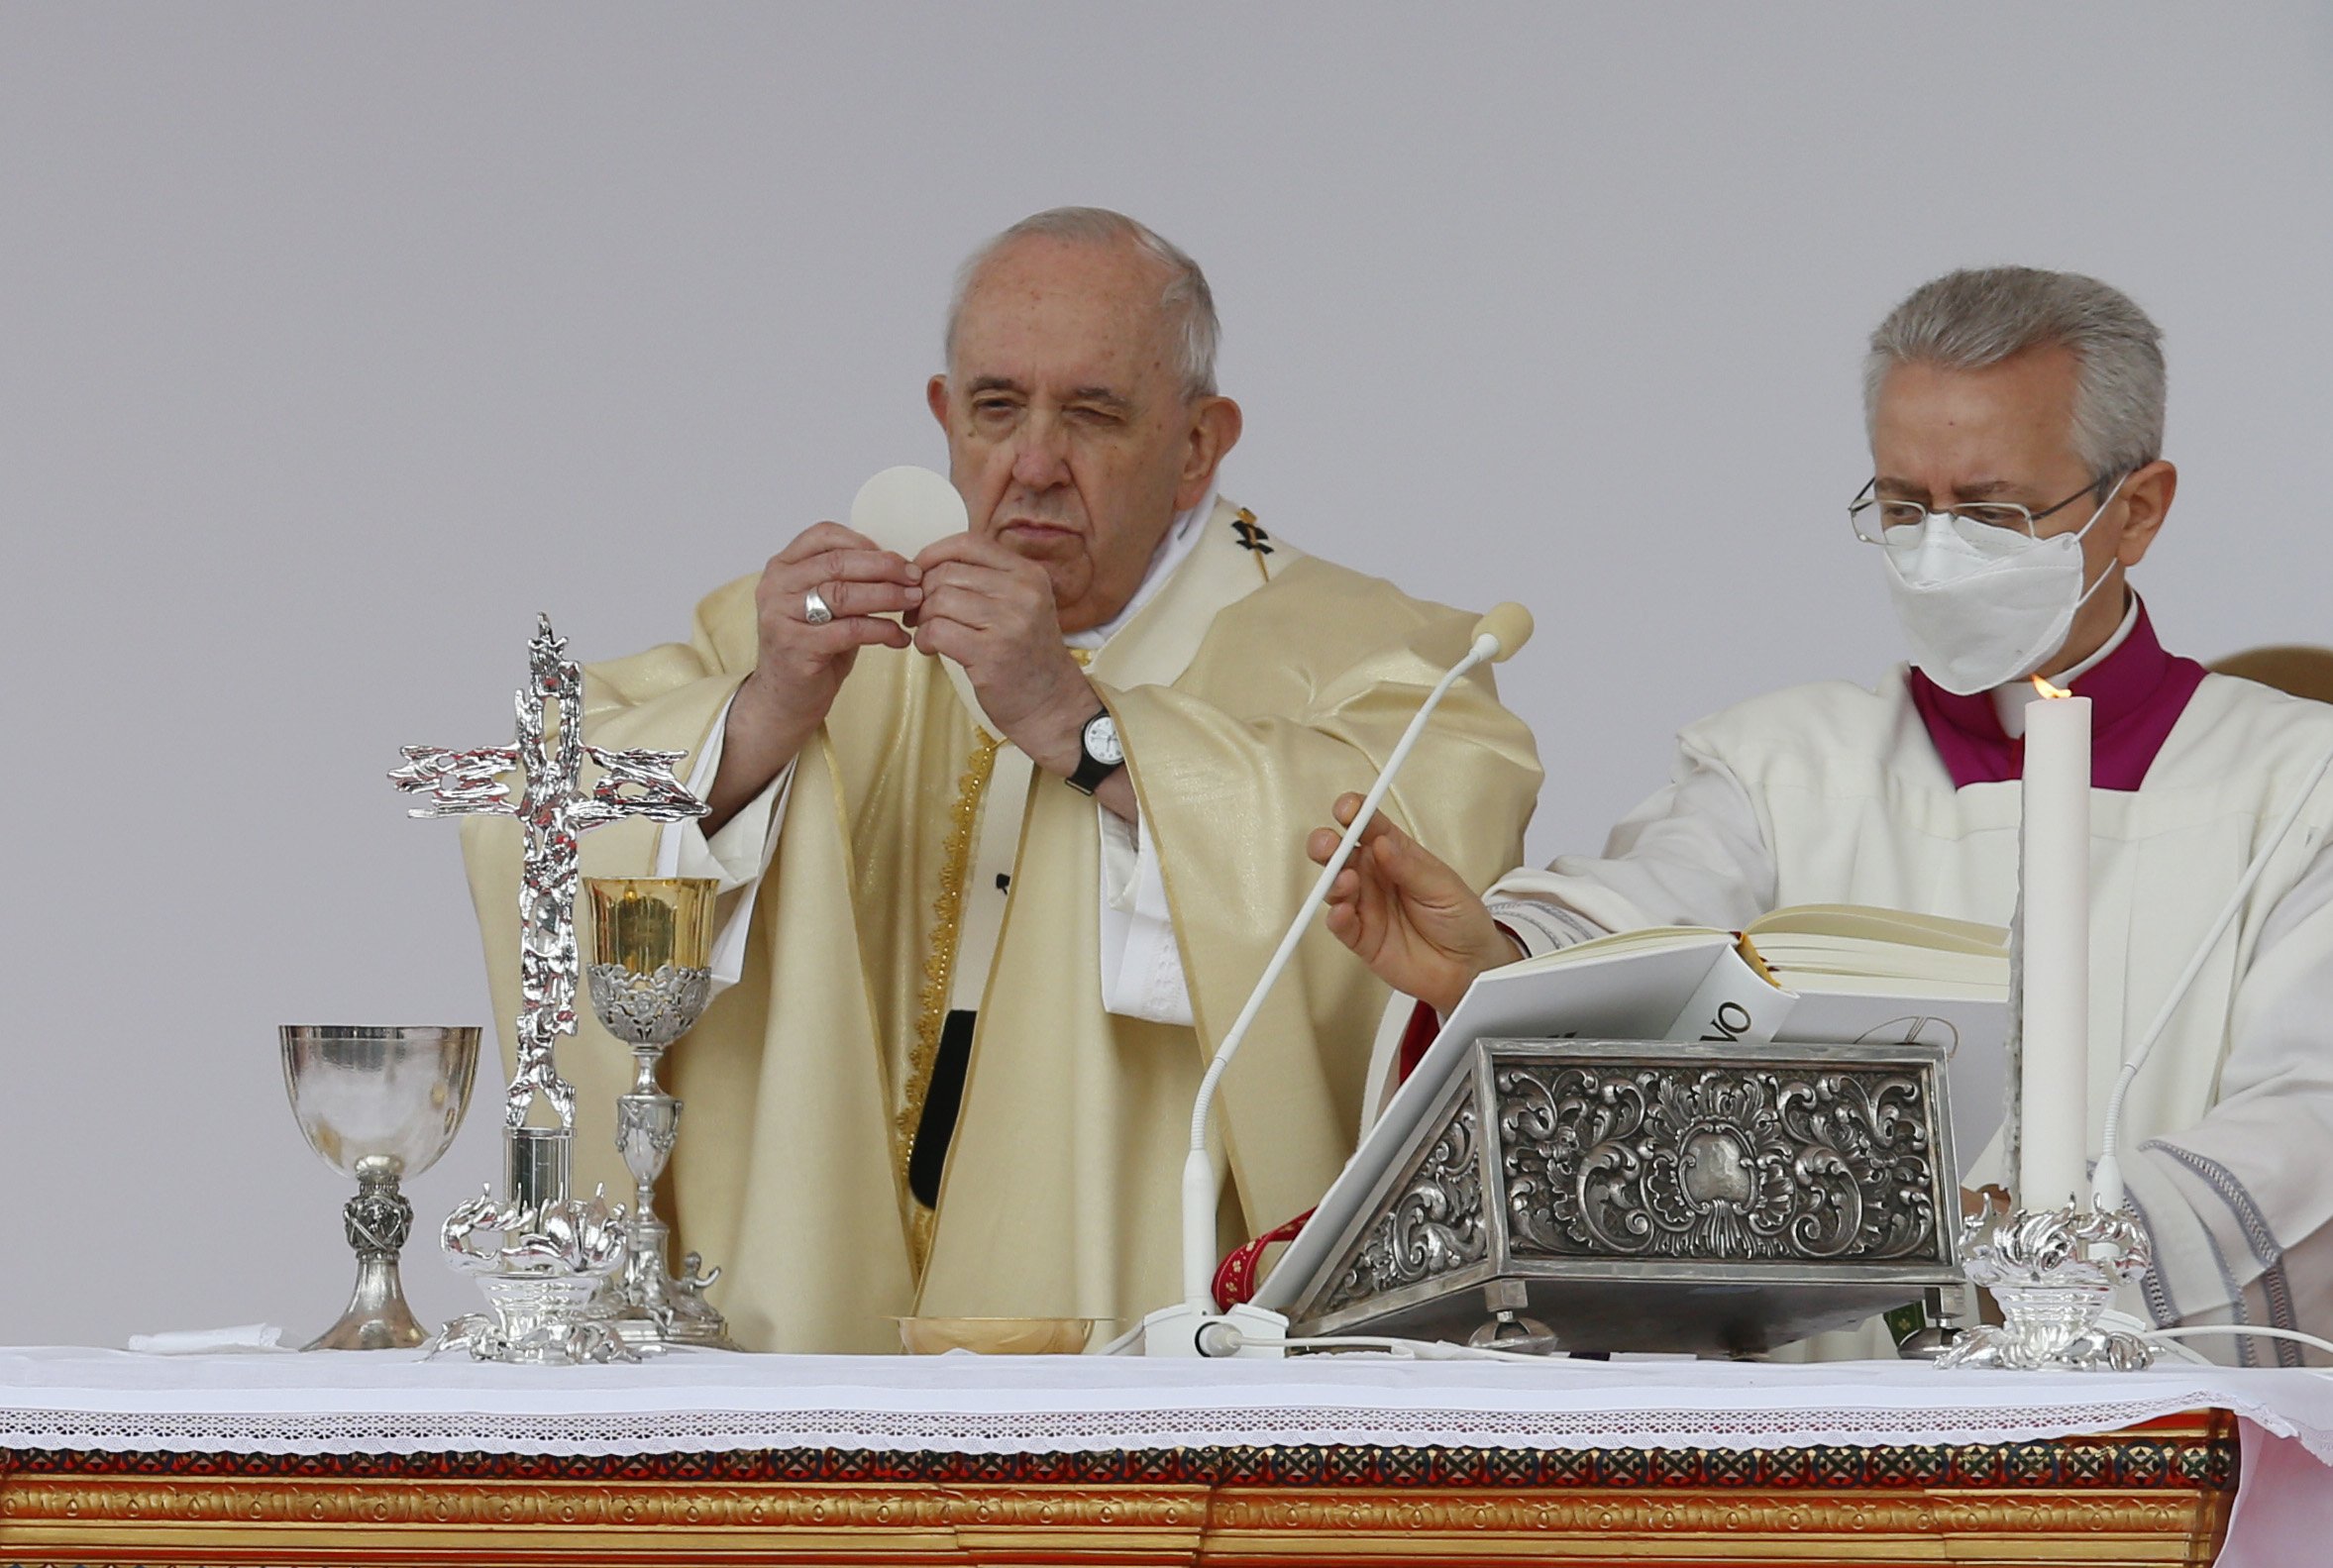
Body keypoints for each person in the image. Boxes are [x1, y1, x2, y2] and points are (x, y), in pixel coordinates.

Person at [458, 207, 1542, 1351]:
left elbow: (1430, 844)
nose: (1032, 462)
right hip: (824, 1292)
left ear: (1198, 444)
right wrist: (765, 713)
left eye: (1092, 413)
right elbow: (542, 801)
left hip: (1154, 1311)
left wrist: (1091, 734)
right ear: (943, 416)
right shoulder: (818, 635)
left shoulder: (1362, 644)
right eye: (996, 407)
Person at [1309, 266, 2333, 1364]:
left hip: (2137, 1415)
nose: (1939, 552)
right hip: (1819, 1448)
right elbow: (1644, 930)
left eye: (1990, 511)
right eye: (1903, 507)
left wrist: (2040, 1276)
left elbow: (2309, 1115)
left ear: (2138, 508)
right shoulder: (1782, 766)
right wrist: (1496, 963)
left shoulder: (2298, 784)